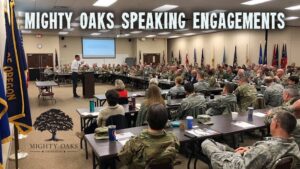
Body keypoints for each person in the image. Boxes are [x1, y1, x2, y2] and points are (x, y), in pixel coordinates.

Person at [201, 111, 300, 169]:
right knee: (221, 146)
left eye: (272, 120)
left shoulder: (264, 149)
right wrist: (250, 149)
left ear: (276, 124)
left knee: (207, 143)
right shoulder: (294, 146)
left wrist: (234, 155)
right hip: (253, 158)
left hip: (236, 164)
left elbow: (240, 167)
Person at [118, 104, 179, 169]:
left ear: (147, 120)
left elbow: (123, 159)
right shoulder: (173, 139)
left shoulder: (135, 141)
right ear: (166, 121)